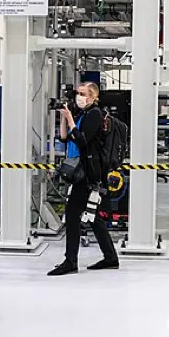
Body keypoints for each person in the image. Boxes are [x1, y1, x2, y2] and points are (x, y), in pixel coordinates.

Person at [48, 82, 119, 276]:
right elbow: (64, 138)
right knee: (94, 217)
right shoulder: (83, 114)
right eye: (77, 93)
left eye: (83, 94)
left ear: (93, 96)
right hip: (80, 169)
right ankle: (110, 257)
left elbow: (81, 140)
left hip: (88, 173)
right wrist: (64, 117)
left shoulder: (94, 114)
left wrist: (71, 119)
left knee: (72, 215)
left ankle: (70, 261)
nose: (79, 97)